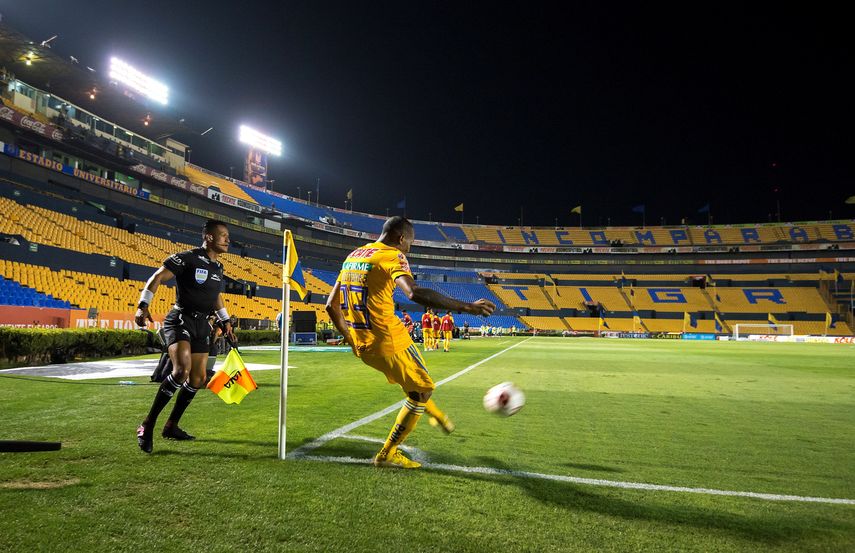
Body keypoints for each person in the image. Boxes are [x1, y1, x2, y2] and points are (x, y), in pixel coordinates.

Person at [325, 217, 495, 469]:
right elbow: (414, 293)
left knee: (413, 386)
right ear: (401, 238)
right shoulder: (392, 255)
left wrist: (350, 339)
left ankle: (435, 415)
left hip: (363, 344)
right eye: (410, 243)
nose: (409, 249)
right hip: (389, 340)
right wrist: (467, 306)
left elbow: (330, 305)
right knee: (422, 391)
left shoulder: (354, 255)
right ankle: (387, 454)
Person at [134, 219, 236, 453]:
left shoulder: (218, 268)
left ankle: (171, 426)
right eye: (223, 235)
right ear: (209, 237)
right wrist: (143, 305)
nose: (227, 240)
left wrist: (225, 320)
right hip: (180, 319)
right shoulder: (187, 258)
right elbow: (157, 277)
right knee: (180, 371)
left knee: (198, 379)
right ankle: (147, 425)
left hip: (202, 324)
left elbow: (216, 296)